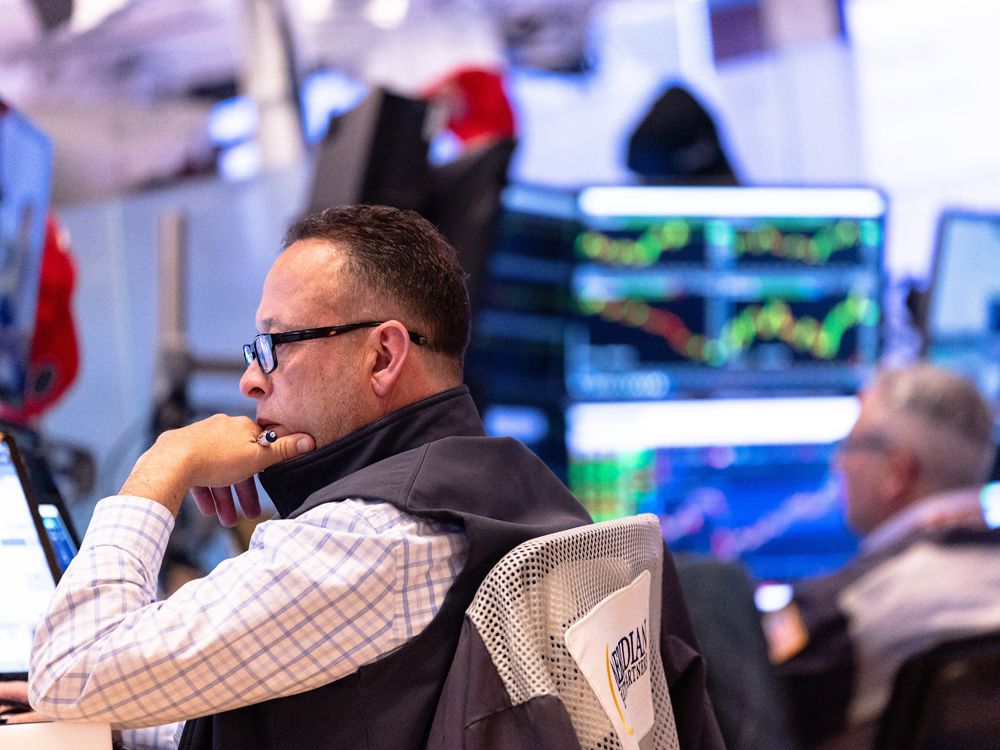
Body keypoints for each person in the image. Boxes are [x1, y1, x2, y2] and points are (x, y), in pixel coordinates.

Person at [21, 205, 720, 749]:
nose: (248, 380)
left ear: (383, 356)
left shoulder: (371, 539)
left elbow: (69, 668)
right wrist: (119, 713)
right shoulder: (505, 484)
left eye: (274, 346)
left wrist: (161, 466)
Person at [770, 364, 1000, 749]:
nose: (839, 464)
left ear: (897, 471)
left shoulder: (846, 610)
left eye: (851, 446)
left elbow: (747, 720)